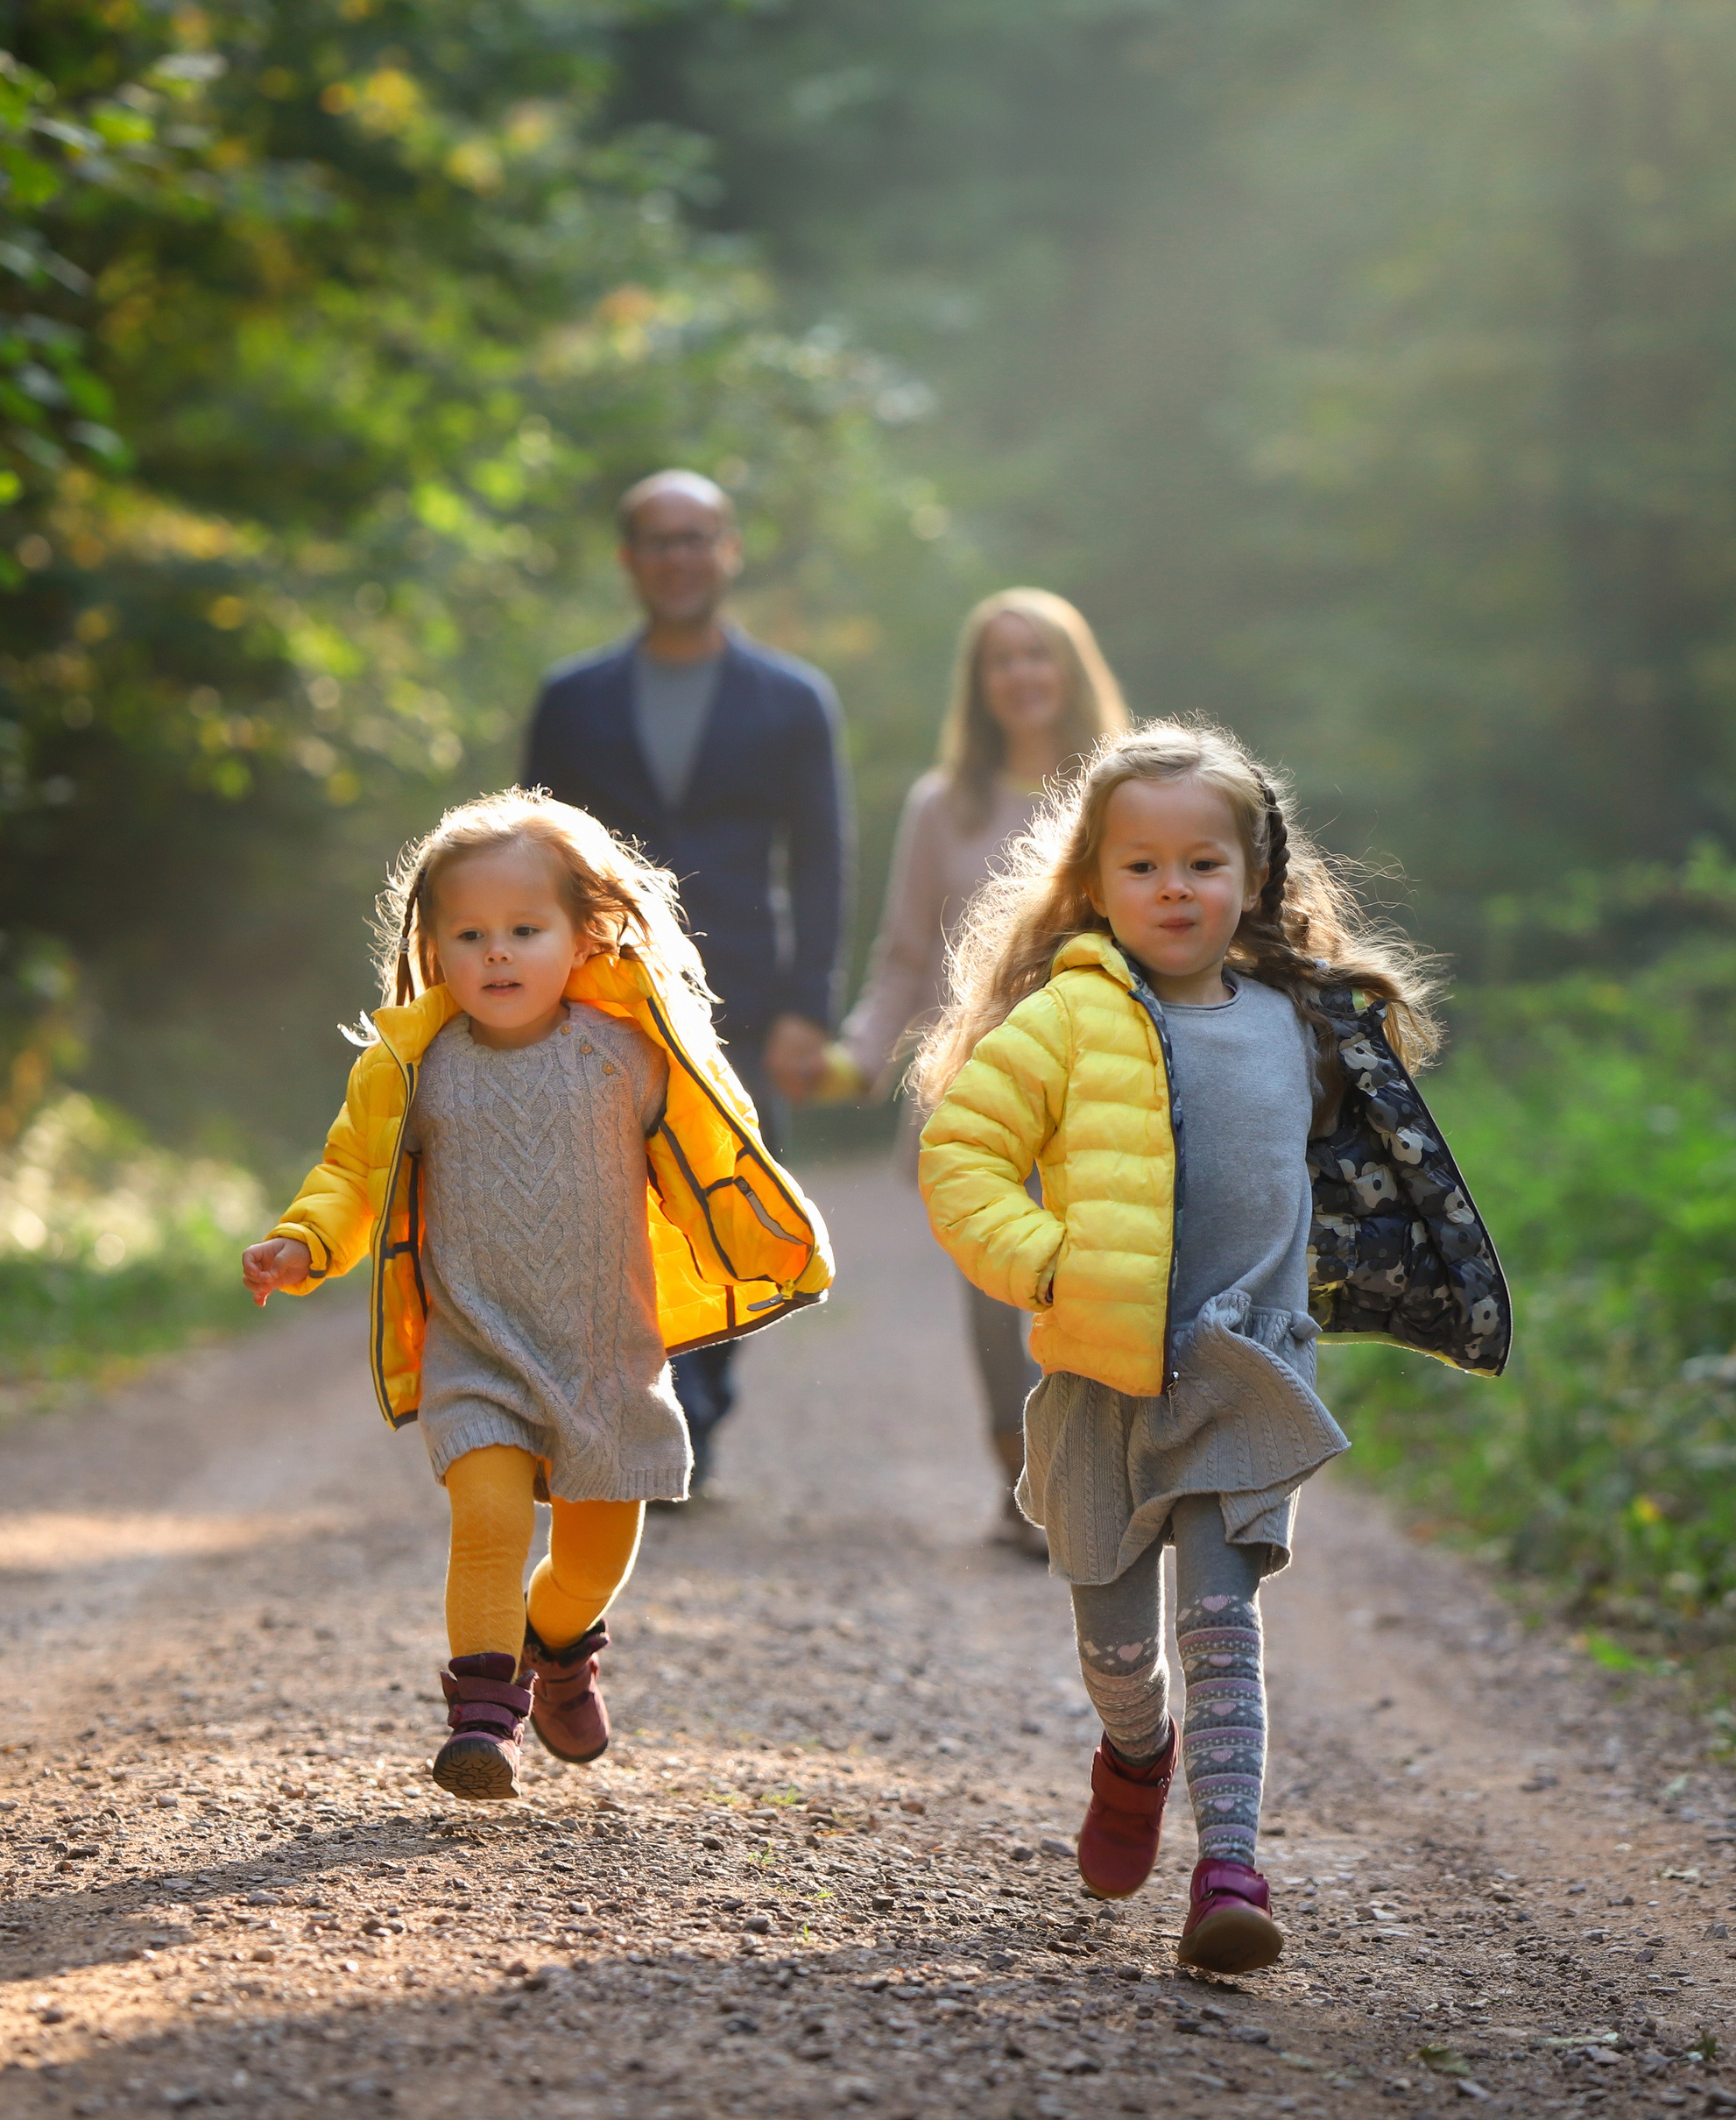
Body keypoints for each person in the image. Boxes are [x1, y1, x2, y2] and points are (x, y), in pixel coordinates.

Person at [914, 722, 1509, 1972]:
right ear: (1095, 882)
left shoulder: (1303, 1024)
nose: (1172, 889)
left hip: (1246, 1367)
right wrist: (1046, 1262)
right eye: (1141, 866)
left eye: (1201, 863)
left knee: (1223, 1625)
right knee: (1119, 1652)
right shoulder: (1065, 1022)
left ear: (1255, 878)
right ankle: (1135, 1754)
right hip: (1102, 1373)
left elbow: (1368, 1171)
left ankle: (1230, 1871)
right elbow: (962, 1157)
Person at [238, 791, 833, 1799]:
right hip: (477, 1354)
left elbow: (706, 1155)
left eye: (524, 930)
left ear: (582, 934)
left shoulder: (630, 1055)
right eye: (470, 935)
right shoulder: (412, 1071)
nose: (498, 954)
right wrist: (303, 1242)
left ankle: (556, 1648)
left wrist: (760, 1240)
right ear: (433, 947)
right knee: (488, 1518)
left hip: (606, 1358)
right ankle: (482, 1719)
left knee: (592, 1561)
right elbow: (352, 1175)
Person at [523, 470, 848, 1491]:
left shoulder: (794, 700)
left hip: (744, 1001)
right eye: (657, 541)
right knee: (603, 1213)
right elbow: (528, 851)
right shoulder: (571, 701)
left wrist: (809, 1010)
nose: (677, 557)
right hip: (598, 995)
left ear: (729, 550)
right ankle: (631, 1419)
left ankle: (697, 1416)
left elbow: (824, 858)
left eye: (695, 537)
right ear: (629, 561)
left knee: (728, 1205)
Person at [830, 589, 1127, 1557]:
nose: (1021, 676)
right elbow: (904, 956)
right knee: (1001, 1298)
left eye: (1038, 655)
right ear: (979, 684)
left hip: (1102, 1087)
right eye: (1001, 660)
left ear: (1069, 670)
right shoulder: (939, 804)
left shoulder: (1121, 796)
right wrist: (860, 1055)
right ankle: (1024, 1485)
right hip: (978, 1093)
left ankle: (1098, 1479)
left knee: (1096, 1288)